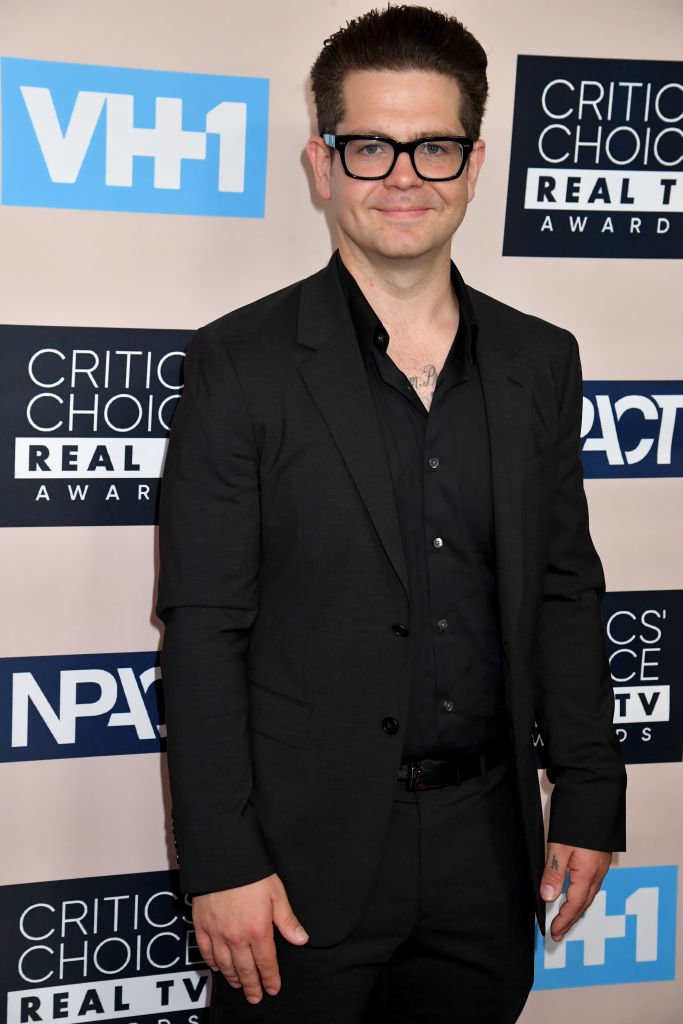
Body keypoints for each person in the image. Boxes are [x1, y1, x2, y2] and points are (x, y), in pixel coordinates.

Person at [157, 6, 626, 1022]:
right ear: (322, 164)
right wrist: (220, 859)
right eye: (370, 146)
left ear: (474, 160)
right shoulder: (238, 364)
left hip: (485, 849)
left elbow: (560, 587)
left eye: (433, 146)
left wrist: (588, 789)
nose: (403, 176)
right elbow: (203, 628)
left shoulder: (538, 360)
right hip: (294, 863)